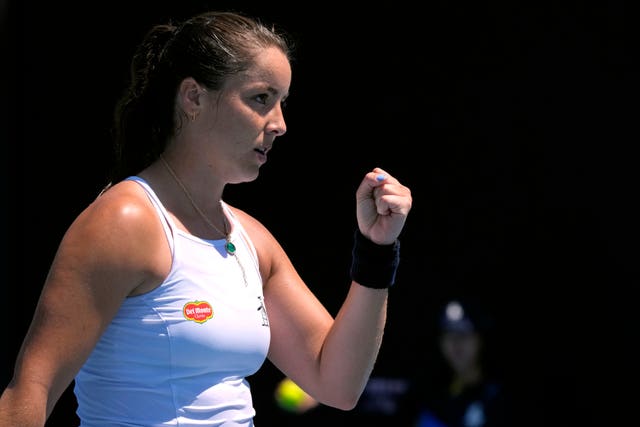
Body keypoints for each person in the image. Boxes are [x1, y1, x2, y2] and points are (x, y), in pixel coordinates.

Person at [0, 10, 412, 426]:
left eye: (282, 103)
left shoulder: (252, 240)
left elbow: (338, 385)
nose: (281, 124)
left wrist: (376, 250)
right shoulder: (124, 221)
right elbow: (32, 388)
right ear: (193, 97)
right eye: (260, 98)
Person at [396, 297, 510, 427]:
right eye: (449, 335)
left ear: (480, 340)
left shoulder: (498, 396)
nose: (456, 343)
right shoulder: (426, 392)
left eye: (464, 334)